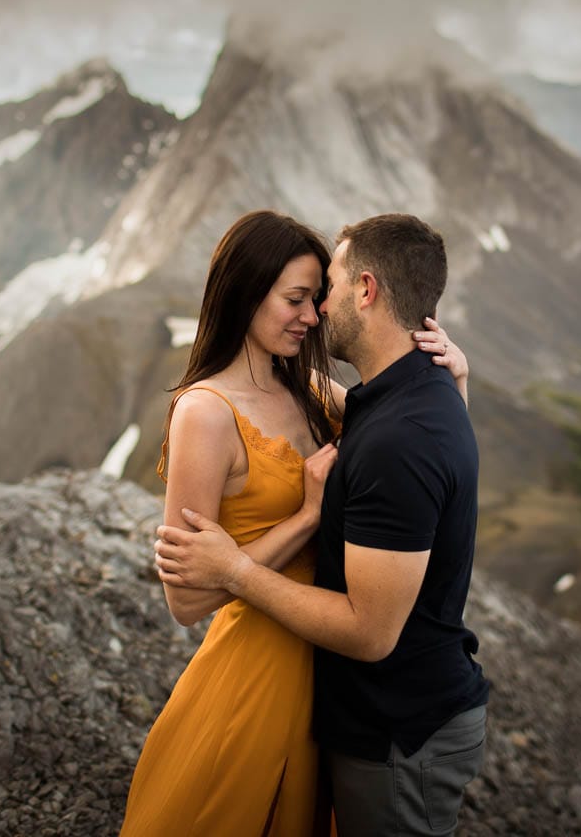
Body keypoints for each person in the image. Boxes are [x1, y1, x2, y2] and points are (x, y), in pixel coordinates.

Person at [120, 210, 466, 836]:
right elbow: (186, 596)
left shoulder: (312, 389)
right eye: (297, 299)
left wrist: (451, 379)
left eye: (318, 296)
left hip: (331, 674)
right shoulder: (203, 413)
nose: (313, 315)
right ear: (246, 292)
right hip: (258, 673)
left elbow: (410, 446)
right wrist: (308, 517)